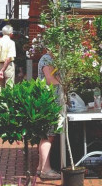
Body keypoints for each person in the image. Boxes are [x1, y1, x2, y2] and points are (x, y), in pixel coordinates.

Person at [36, 46, 62, 180]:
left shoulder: (50, 59)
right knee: (48, 136)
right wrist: (65, 83)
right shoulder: (47, 59)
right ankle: (46, 170)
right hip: (50, 101)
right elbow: (50, 80)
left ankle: (41, 167)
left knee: (46, 135)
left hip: (50, 101)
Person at [0, 25, 16, 92]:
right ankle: (8, 102)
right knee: (9, 87)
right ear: (11, 33)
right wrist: (2, 70)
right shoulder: (11, 43)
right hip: (9, 66)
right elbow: (8, 58)